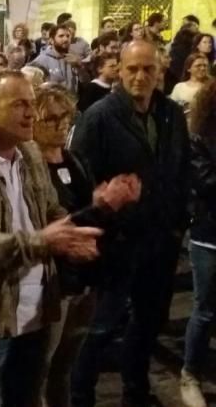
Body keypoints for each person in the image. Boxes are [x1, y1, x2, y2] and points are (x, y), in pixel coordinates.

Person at [0, 70, 112, 407]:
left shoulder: (30, 154)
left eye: (31, 104)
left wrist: (69, 234)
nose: (31, 113)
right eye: (19, 105)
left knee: (26, 396)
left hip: (37, 308)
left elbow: (49, 207)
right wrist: (39, 241)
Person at [70, 40, 192, 407]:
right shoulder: (100, 116)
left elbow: (181, 169)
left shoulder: (171, 114)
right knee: (100, 327)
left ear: (160, 72)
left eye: (148, 69)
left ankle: (135, 391)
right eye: (132, 69)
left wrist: (177, 223)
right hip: (116, 244)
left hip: (159, 243)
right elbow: (80, 179)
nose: (140, 77)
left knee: (148, 322)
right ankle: (80, 396)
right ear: (119, 71)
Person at [32, 85, 141, 407]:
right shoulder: (30, 167)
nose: (61, 124)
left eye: (65, 116)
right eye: (51, 118)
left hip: (85, 276)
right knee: (40, 366)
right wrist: (103, 204)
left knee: (67, 364)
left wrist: (108, 200)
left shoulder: (73, 158)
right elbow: (56, 225)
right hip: (53, 280)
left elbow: (87, 205)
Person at [181, 80, 216, 406]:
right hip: (209, 235)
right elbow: (205, 182)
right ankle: (190, 374)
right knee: (204, 310)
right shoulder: (200, 135)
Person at [32, 25, 80, 93]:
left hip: (70, 102)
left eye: (68, 36)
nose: (66, 39)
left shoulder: (73, 59)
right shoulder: (41, 60)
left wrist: (80, 66)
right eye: (61, 36)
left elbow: (84, 83)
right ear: (51, 40)